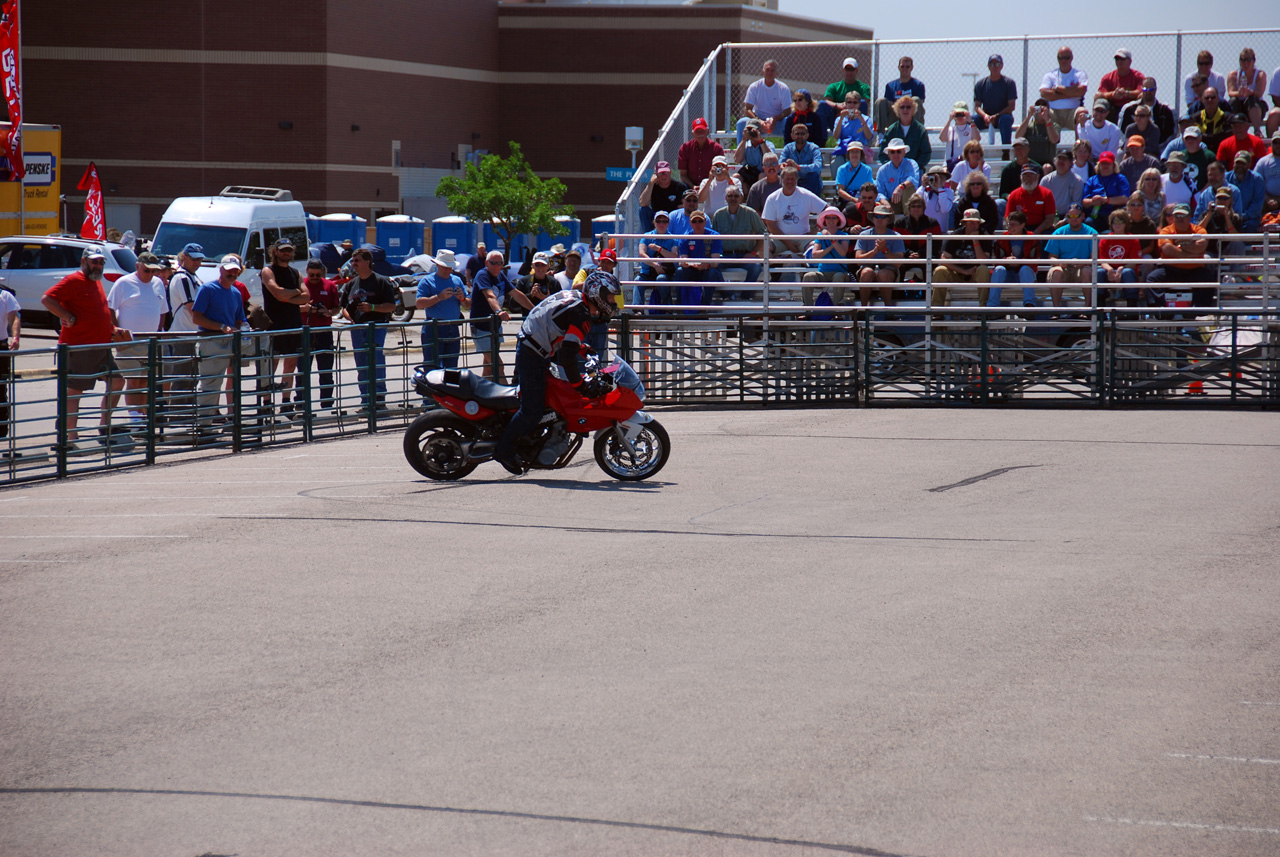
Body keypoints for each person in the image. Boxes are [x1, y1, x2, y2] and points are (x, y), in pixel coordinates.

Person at [492, 271, 619, 476]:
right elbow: (568, 358)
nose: (612, 302)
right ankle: (503, 450)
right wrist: (580, 385)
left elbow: (562, 330)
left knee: (548, 399)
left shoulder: (578, 300)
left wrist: (581, 346)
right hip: (533, 352)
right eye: (611, 297)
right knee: (532, 409)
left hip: (534, 346)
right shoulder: (582, 314)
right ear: (599, 294)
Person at [41, 247, 125, 449]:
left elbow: (97, 313)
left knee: (117, 381)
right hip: (79, 347)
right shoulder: (73, 280)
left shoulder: (95, 282)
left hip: (101, 346)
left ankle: (104, 426)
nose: (98, 266)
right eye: (94, 262)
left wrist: (113, 329)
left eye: (101, 262)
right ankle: (70, 438)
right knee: (74, 391)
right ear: (84, 261)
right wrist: (66, 316)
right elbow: (47, 299)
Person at [106, 251, 168, 430]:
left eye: (153, 271)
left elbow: (162, 310)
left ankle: (142, 415)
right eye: (146, 270)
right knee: (133, 380)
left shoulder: (158, 283)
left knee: (145, 381)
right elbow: (110, 308)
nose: (150, 275)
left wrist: (158, 331)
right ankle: (135, 419)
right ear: (137, 267)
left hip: (150, 341)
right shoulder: (124, 283)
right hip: (130, 341)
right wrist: (117, 331)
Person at [189, 255, 248, 435]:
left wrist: (243, 329)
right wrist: (221, 327)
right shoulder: (208, 289)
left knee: (231, 381)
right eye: (229, 270)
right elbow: (196, 317)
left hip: (229, 341)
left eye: (235, 271)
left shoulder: (236, 293)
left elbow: (239, 319)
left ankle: (228, 421)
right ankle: (203, 426)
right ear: (221, 270)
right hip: (210, 340)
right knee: (210, 383)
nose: (232, 274)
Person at [341, 247, 399, 413]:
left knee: (375, 361)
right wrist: (348, 316)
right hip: (357, 328)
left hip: (377, 326)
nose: (354, 264)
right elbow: (343, 306)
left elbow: (391, 306)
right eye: (353, 261)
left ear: (367, 262)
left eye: (357, 261)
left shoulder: (381, 281)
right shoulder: (351, 283)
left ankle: (379, 399)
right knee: (361, 364)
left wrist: (372, 307)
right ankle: (366, 400)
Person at [259, 238, 310, 420]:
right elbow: (277, 293)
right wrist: (295, 292)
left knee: (290, 364)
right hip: (274, 325)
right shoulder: (268, 271)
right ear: (275, 252)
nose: (286, 253)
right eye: (282, 250)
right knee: (270, 365)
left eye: (289, 250)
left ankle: (286, 403)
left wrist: (288, 295)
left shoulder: (295, 273)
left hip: (293, 323)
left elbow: (306, 297)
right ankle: (266, 403)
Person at [470, 249, 533, 382]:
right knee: (498, 366)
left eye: (500, 263)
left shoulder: (500, 275)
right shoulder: (483, 275)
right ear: (486, 263)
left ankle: (481, 396)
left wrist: (534, 309)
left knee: (488, 367)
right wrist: (499, 311)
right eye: (493, 263)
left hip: (494, 327)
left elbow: (516, 294)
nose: (497, 266)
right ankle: (507, 398)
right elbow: (489, 295)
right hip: (481, 328)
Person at [164, 243, 204, 426]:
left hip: (192, 333)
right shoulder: (182, 278)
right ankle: (179, 419)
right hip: (183, 334)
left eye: (199, 259)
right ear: (184, 257)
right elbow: (191, 307)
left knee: (191, 379)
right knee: (182, 378)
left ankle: (187, 416)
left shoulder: (192, 277)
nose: (197, 262)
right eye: (194, 258)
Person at [1146, 204, 1214, 307]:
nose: (1179, 218)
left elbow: (1201, 246)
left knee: (1208, 280)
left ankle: (1198, 310)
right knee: (1152, 279)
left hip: (1194, 269)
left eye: (1183, 216)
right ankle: (1163, 309)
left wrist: (1178, 246)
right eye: (1177, 216)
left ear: (1189, 217)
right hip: (1171, 269)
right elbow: (1167, 249)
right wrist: (1191, 253)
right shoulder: (1166, 230)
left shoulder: (1199, 230)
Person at [415, 249, 470, 372]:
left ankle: (448, 389)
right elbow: (419, 303)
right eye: (445, 267)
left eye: (450, 267)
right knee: (431, 366)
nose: (447, 270)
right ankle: (431, 390)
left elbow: (468, 305)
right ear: (437, 265)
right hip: (433, 327)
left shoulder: (457, 280)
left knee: (451, 367)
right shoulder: (427, 281)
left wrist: (462, 299)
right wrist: (439, 297)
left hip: (453, 327)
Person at [300, 258, 341, 411]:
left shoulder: (330, 286)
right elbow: (291, 306)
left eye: (318, 275)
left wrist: (328, 312)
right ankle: (301, 403)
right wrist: (305, 308)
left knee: (326, 370)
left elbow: (337, 308)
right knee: (303, 370)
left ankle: (327, 403)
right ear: (307, 272)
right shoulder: (301, 285)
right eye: (312, 275)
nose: (315, 278)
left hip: (324, 331)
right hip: (306, 331)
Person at [710, 186, 766, 290]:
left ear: (741, 197)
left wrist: (753, 253)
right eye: (730, 196)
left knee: (756, 267)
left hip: (744, 255)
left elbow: (763, 233)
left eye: (736, 196)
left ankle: (745, 294)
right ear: (726, 198)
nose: (733, 199)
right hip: (724, 255)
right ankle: (726, 294)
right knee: (712, 267)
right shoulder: (718, 215)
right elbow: (713, 238)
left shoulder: (750, 213)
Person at [933, 208, 991, 307]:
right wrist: (963, 271)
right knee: (940, 270)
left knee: (984, 270)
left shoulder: (984, 235)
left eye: (976, 223)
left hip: (975, 273)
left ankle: (983, 309)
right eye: (970, 222)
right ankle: (937, 309)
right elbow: (943, 259)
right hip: (957, 272)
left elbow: (983, 262)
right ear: (964, 223)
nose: (974, 226)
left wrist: (975, 240)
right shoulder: (956, 235)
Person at [1045, 204, 1099, 306]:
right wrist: (1060, 263)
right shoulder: (1059, 233)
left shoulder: (1092, 233)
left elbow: (1094, 257)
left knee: (1087, 271)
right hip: (1064, 268)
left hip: (1082, 268)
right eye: (1070, 216)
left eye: (1077, 216)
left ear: (1083, 216)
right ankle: (1056, 310)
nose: (1073, 219)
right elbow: (1051, 257)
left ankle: (1088, 310)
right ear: (1066, 216)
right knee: (1056, 272)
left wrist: (1082, 263)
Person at [853, 203, 904, 306]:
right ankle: (863, 310)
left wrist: (885, 251)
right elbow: (858, 260)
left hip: (889, 269)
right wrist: (875, 251)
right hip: (868, 267)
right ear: (873, 218)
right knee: (867, 272)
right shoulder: (864, 235)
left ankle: (888, 310)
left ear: (887, 219)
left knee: (883, 274)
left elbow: (898, 263)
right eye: (877, 216)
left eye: (883, 216)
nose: (879, 219)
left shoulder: (896, 236)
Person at [987, 210, 1041, 308]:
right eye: (1009, 224)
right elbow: (996, 260)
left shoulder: (1032, 238)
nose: (1010, 227)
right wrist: (1007, 260)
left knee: (1025, 269)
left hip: (1024, 275)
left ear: (1022, 225)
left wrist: (1020, 262)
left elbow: (1034, 261)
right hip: (1007, 273)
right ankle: (992, 307)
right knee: (999, 269)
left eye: (1013, 225)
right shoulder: (1002, 238)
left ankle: (1029, 305)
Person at [802, 206, 852, 305]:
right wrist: (830, 247)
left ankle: (838, 310)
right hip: (823, 273)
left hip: (840, 272)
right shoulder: (820, 236)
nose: (831, 220)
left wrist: (832, 239)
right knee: (808, 276)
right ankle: (807, 308)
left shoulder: (844, 235)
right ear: (825, 220)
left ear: (838, 220)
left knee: (838, 277)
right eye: (828, 217)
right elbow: (815, 254)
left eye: (834, 218)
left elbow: (843, 252)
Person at [674, 210, 723, 306]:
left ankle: (705, 305)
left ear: (705, 222)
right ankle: (679, 305)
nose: (697, 224)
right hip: (692, 269)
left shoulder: (714, 236)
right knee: (679, 271)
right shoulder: (685, 237)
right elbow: (682, 259)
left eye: (700, 221)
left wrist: (706, 265)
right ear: (690, 223)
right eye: (694, 221)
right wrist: (686, 263)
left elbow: (716, 261)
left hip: (708, 269)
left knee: (713, 272)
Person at [736, 59, 792, 142]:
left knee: (790, 122)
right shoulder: (754, 87)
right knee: (741, 123)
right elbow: (747, 109)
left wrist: (775, 119)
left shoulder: (783, 88)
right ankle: (741, 153)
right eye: (767, 70)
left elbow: (788, 110)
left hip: (777, 123)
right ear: (763, 71)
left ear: (776, 73)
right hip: (757, 122)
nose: (769, 73)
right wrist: (759, 121)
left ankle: (789, 152)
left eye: (772, 71)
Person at [896, 193, 943, 283]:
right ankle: (899, 295)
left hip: (927, 256)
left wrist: (920, 254)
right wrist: (909, 253)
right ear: (909, 208)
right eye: (913, 206)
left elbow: (937, 244)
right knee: (899, 266)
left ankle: (927, 296)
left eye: (919, 206)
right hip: (906, 256)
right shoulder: (900, 223)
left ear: (923, 208)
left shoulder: (933, 222)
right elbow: (898, 242)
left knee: (929, 267)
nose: (916, 209)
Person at [973, 54, 1017, 150]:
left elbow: (1011, 106)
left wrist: (996, 116)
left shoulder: (1009, 83)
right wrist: (985, 116)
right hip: (985, 119)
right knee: (969, 120)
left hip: (1002, 117)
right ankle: (970, 150)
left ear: (1002, 65)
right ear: (988, 66)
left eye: (997, 63)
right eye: (992, 64)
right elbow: (977, 106)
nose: (994, 66)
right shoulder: (981, 84)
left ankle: (1005, 151)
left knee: (1006, 119)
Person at [1040, 46, 1090, 130]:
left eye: (1067, 57)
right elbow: (1044, 93)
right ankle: (1050, 143)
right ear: (1057, 58)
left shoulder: (1080, 74)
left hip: (1073, 111)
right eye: (1061, 58)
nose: (1064, 60)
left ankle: (1080, 143)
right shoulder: (1050, 75)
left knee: (1083, 113)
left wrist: (1057, 89)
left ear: (1072, 58)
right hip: (1054, 112)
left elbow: (1081, 92)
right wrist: (1071, 92)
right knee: (1042, 113)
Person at [878, 98, 931, 173]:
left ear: (913, 110)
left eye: (908, 107)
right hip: (894, 171)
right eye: (902, 107)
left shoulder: (920, 130)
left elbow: (926, 153)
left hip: (914, 171)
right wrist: (892, 167)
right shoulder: (891, 130)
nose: (905, 110)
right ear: (897, 110)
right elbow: (883, 154)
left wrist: (914, 167)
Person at [636, 210, 677, 307]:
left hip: (666, 273)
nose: (661, 224)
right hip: (647, 272)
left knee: (661, 279)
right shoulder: (646, 236)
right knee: (638, 281)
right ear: (654, 222)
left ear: (668, 223)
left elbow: (674, 256)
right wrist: (655, 265)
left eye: (664, 221)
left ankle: (668, 308)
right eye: (658, 221)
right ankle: (638, 310)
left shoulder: (673, 238)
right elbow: (641, 254)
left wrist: (659, 249)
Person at [1082, 151, 1132, 229]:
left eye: (1108, 163)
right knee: (1088, 223)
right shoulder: (1092, 180)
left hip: (1115, 214)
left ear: (1113, 165)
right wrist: (1093, 201)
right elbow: (1084, 202)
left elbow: (1125, 198)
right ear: (1099, 165)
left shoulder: (1120, 179)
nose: (1105, 166)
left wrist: (1106, 200)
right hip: (1097, 214)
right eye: (1103, 163)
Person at [1120, 78, 1174, 148]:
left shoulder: (1166, 110)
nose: (1148, 92)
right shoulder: (1129, 109)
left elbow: (1171, 134)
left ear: (1155, 89)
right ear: (1141, 89)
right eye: (1145, 89)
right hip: (1133, 147)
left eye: (1151, 89)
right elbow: (1122, 132)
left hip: (1160, 148)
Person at [829, 91, 875, 173]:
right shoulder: (839, 119)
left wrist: (861, 119)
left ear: (859, 104)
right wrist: (841, 120)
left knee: (854, 158)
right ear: (845, 104)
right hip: (843, 150)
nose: (852, 105)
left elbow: (869, 137)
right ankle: (838, 185)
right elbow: (835, 137)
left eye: (855, 102)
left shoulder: (866, 119)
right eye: (849, 102)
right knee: (836, 161)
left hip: (859, 150)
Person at [876, 56, 926, 131]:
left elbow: (918, 104)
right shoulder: (890, 86)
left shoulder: (918, 85)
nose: (905, 69)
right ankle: (881, 134)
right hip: (895, 115)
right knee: (881, 101)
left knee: (915, 100)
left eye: (907, 67)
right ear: (899, 67)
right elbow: (890, 104)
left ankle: (916, 131)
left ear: (911, 68)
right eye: (902, 67)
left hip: (910, 115)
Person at [1005, 163, 1057, 234]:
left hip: (1041, 228)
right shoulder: (1014, 195)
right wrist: (1018, 229)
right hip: (1020, 228)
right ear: (1021, 177)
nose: (1028, 178)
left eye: (1031, 175)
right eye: (1025, 175)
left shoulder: (1047, 194)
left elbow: (1050, 218)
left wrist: (1037, 231)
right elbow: (1008, 217)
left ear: (1037, 177)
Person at [1096, 48, 1144, 123]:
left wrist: (1126, 93)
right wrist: (1112, 94)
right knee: (1098, 97)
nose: (1119, 61)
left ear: (1130, 61)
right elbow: (1101, 94)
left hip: (1132, 109)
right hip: (1112, 109)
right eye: (1117, 59)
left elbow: (1141, 92)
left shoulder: (1138, 76)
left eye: (1122, 59)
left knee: (1143, 96)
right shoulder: (1108, 77)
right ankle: (1097, 125)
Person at [1227, 48, 1268, 136]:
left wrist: (1250, 92)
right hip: (1239, 107)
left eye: (1248, 60)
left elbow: (1259, 93)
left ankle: (1257, 131)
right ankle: (1231, 132)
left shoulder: (1260, 74)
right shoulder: (1233, 74)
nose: (1245, 63)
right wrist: (1240, 93)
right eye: (1243, 59)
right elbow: (1231, 92)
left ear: (1253, 61)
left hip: (1255, 107)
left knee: (1251, 99)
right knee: (1233, 101)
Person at [638, 161, 687, 231]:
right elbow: (642, 203)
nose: (664, 176)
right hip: (657, 218)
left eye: (666, 172)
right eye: (661, 173)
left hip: (672, 218)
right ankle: (649, 236)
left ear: (670, 172)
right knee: (642, 210)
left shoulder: (680, 187)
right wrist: (651, 183)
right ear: (656, 174)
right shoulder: (652, 187)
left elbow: (682, 208)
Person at [876, 138, 922, 214]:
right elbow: (879, 192)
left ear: (904, 152)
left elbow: (913, 180)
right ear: (888, 154)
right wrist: (885, 203)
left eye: (898, 151)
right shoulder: (882, 170)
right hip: (891, 202)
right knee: (878, 206)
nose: (895, 154)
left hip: (910, 201)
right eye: (892, 152)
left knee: (908, 189)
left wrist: (900, 187)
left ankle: (909, 221)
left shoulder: (912, 164)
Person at [677, 117, 723, 189]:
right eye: (697, 131)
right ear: (693, 133)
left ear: (707, 131)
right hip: (690, 186)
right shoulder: (685, 148)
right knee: (680, 188)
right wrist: (693, 187)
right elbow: (683, 175)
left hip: (711, 185)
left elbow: (720, 172)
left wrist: (706, 186)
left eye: (702, 130)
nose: (700, 134)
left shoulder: (717, 148)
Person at [779, 123, 823, 197]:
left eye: (802, 134)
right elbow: (780, 163)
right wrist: (784, 166)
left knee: (814, 175)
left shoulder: (814, 148)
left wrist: (799, 167)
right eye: (797, 134)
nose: (800, 136)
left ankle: (811, 202)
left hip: (809, 181)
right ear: (792, 136)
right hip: (792, 179)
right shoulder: (787, 148)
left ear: (807, 135)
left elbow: (818, 166)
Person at [1017, 99, 1061, 168]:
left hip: (1047, 163)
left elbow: (1054, 140)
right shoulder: (1028, 126)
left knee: (1047, 167)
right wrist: (1028, 116)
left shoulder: (1054, 126)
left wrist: (1047, 119)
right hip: (1030, 163)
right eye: (1038, 107)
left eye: (1043, 107)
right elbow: (1018, 137)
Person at [0, 285, 17, 455]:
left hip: (1, 346)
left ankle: (1, 431)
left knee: (0, 388)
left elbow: (15, 318)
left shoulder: (5, 296)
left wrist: (16, 336)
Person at [1229, 151, 1266, 231]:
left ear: (1249, 165)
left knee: (1251, 225)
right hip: (1228, 217)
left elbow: (1257, 204)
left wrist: (1243, 216)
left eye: (1243, 163)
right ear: (1233, 163)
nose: (1240, 166)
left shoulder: (1257, 179)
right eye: (1238, 163)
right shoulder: (1226, 178)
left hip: (1249, 219)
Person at [1041, 151, 1084, 219]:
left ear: (1070, 163)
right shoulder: (1046, 180)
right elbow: (1041, 202)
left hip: (1069, 218)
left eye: (1064, 159)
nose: (1061, 161)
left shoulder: (1077, 181)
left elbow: (1076, 204)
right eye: (1059, 158)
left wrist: (1065, 220)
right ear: (1055, 161)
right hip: (1048, 217)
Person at [732, 125, 775, 193]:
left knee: (762, 176)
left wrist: (760, 141)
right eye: (749, 130)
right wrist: (744, 140)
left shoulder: (768, 144)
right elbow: (737, 160)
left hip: (761, 174)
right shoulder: (744, 145)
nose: (751, 133)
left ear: (759, 131)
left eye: (753, 130)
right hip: (747, 174)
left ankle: (760, 199)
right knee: (736, 177)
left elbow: (770, 159)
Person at [939, 101, 980, 170]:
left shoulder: (971, 128)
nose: (960, 117)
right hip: (951, 164)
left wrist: (970, 121)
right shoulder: (950, 129)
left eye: (962, 113)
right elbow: (942, 138)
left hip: (966, 164)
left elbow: (977, 139)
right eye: (958, 114)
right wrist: (949, 120)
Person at [834, 142, 874, 206]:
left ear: (861, 154)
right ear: (848, 154)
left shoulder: (867, 170)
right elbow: (840, 190)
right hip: (847, 200)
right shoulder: (842, 169)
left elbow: (869, 189)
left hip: (863, 199)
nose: (855, 154)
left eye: (857, 152)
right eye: (852, 152)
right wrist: (853, 199)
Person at [1193, 88, 1232, 152]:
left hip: (1222, 152)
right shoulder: (1195, 118)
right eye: (1207, 98)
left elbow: (1226, 137)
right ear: (1202, 99)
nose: (1210, 100)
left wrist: (1202, 136)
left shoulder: (1228, 118)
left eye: (1213, 97)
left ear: (1218, 99)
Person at [920, 165, 955, 230]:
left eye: (940, 178)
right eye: (934, 178)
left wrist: (940, 188)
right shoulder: (924, 192)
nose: (937, 180)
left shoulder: (949, 192)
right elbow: (916, 201)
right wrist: (923, 186)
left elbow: (945, 209)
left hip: (942, 232)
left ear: (945, 179)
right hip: (926, 232)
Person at [1178, 126, 1213, 191]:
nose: (1190, 141)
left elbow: (1214, 177)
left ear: (1200, 139)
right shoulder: (1179, 156)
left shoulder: (1209, 156)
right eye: (1187, 138)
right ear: (1183, 140)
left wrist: (1200, 194)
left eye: (1193, 138)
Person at [1255, 134, 1280, 205]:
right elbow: (1256, 184)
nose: (1278, 145)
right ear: (1271, 144)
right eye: (1275, 142)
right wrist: (1268, 199)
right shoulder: (1263, 162)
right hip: (1268, 201)